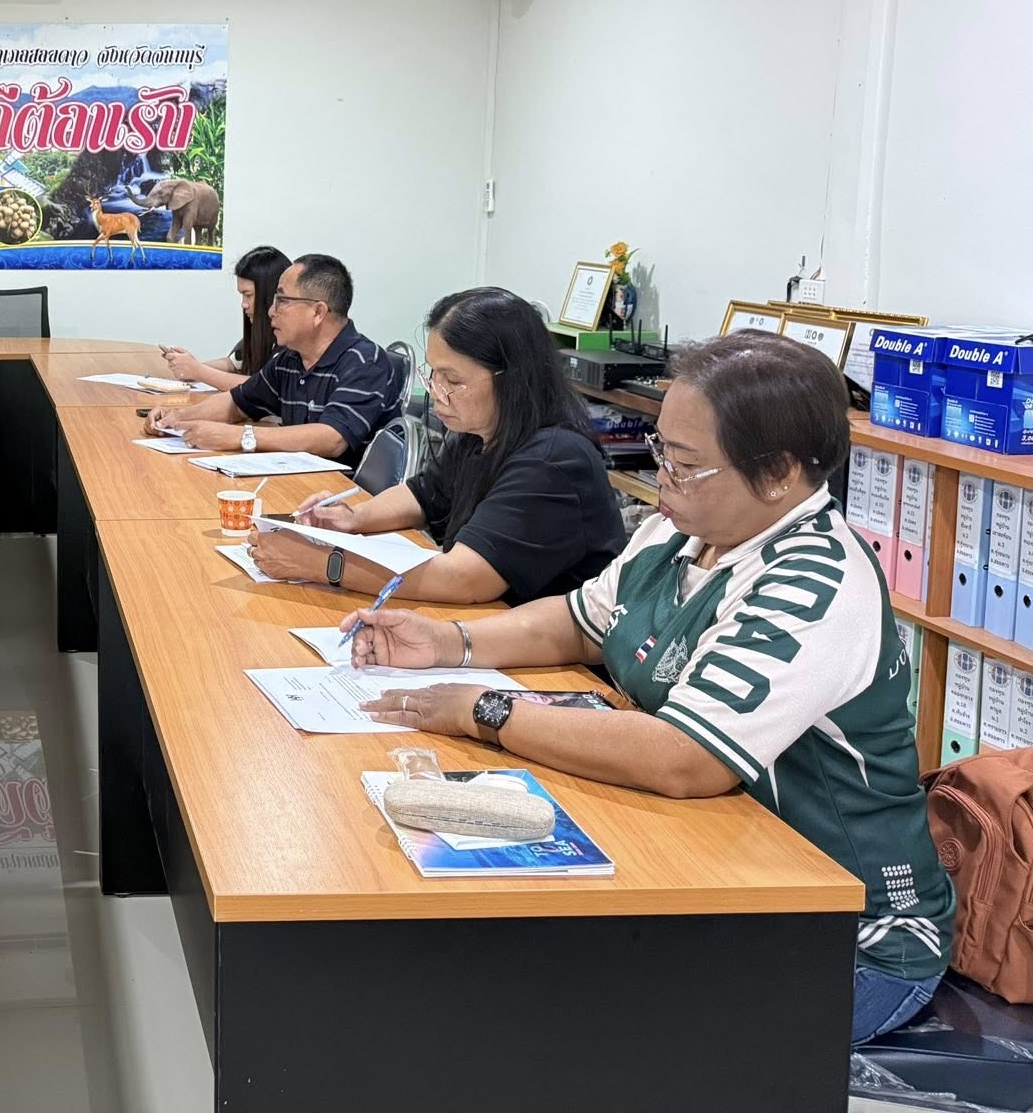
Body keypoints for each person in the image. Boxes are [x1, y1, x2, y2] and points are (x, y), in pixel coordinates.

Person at [340, 332, 953, 1046]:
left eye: (686, 464)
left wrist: (488, 709)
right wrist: (451, 643)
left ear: (781, 473)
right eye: (660, 451)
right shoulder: (680, 530)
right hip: (715, 870)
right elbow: (580, 623)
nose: (662, 477)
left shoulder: (816, 579)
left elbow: (685, 759)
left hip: (840, 936)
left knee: (591, 1038)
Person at [247, 287, 622, 601]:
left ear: (512, 380)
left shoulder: (552, 460)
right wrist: (353, 519)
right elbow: (423, 494)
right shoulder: (480, 433)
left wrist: (320, 564)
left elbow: (465, 579)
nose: (437, 393)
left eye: (453, 380)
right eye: (433, 374)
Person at [146, 253, 404, 465]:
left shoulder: (365, 361)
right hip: (296, 481)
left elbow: (332, 439)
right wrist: (177, 418)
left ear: (318, 311)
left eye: (282, 300)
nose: (270, 311)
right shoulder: (289, 359)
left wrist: (240, 436)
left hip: (342, 496)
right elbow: (238, 402)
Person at [158, 244, 289, 392]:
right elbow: (234, 363)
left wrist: (198, 371)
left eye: (249, 295)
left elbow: (261, 387)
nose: (243, 304)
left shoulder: (292, 342)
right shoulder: (261, 333)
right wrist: (190, 366)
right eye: (242, 295)